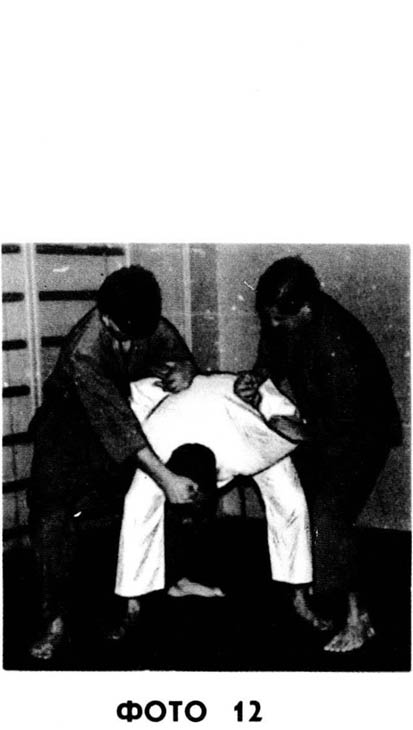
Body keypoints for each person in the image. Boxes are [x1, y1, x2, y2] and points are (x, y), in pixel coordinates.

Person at [27, 265, 198, 660]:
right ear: (104, 316)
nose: (130, 342)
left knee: (135, 503)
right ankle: (55, 622)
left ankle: (155, 588)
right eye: (122, 332)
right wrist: (166, 478)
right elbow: (116, 425)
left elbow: (179, 355)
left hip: (122, 417)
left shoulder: (148, 321)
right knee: (51, 516)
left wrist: (186, 369)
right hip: (67, 428)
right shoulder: (84, 349)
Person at [234, 256, 402, 652]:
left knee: (330, 514)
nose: (271, 324)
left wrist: (303, 431)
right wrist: (257, 376)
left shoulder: (340, 343)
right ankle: (309, 592)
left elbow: (350, 422)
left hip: (363, 434)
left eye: (279, 318)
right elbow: (274, 347)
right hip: (326, 425)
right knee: (302, 502)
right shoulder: (288, 317)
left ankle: (359, 619)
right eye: (267, 316)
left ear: (307, 309)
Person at [111, 372, 314, 638]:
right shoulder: (156, 441)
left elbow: (299, 430)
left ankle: (299, 597)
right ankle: (133, 605)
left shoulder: (249, 454)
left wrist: (261, 403)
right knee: (137, 502)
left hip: (251, 422)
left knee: (291, 500)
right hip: (177, 413)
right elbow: (131, 397)